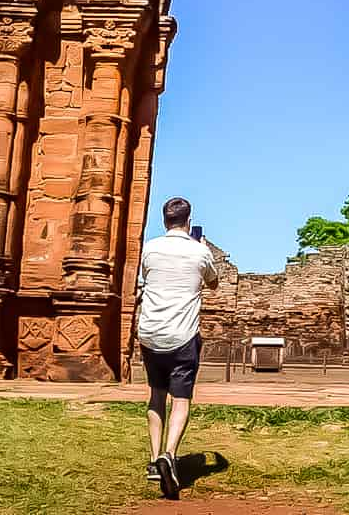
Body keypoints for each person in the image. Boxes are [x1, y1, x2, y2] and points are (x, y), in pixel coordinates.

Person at [136, 196, 219, 499]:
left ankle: (154, 458)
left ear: (164, 220)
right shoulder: (200, 252)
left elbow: (148, 276)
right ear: (188, 219)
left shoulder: (150, 248)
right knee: (180, 400)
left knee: (156, 396)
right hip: (181, 336)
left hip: (150, 333)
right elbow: (213, 283)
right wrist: (201, 248)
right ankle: (169, 454)